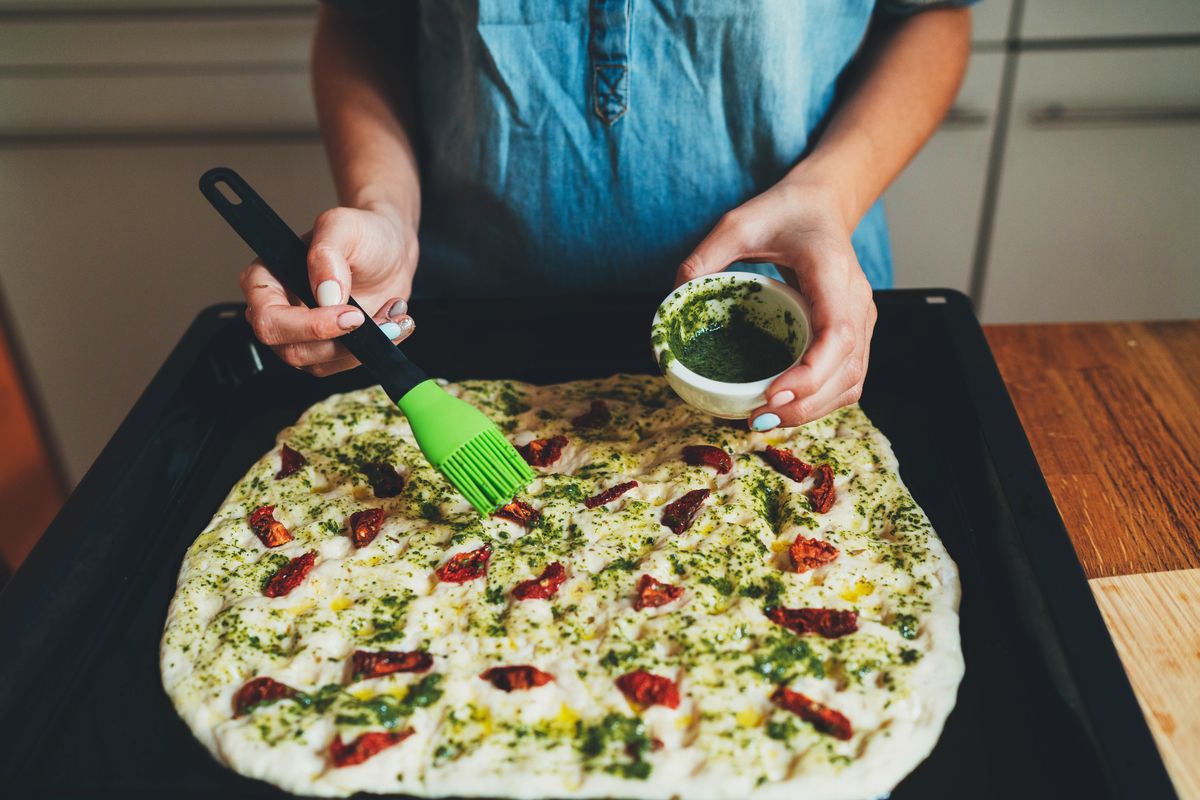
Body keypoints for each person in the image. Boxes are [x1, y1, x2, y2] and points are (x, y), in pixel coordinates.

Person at [240, 0, 973, 431]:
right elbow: (366, 24)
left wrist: (828, 196)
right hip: (465, 331)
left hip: (794, 335)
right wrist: (384, 210)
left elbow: (930, 14)